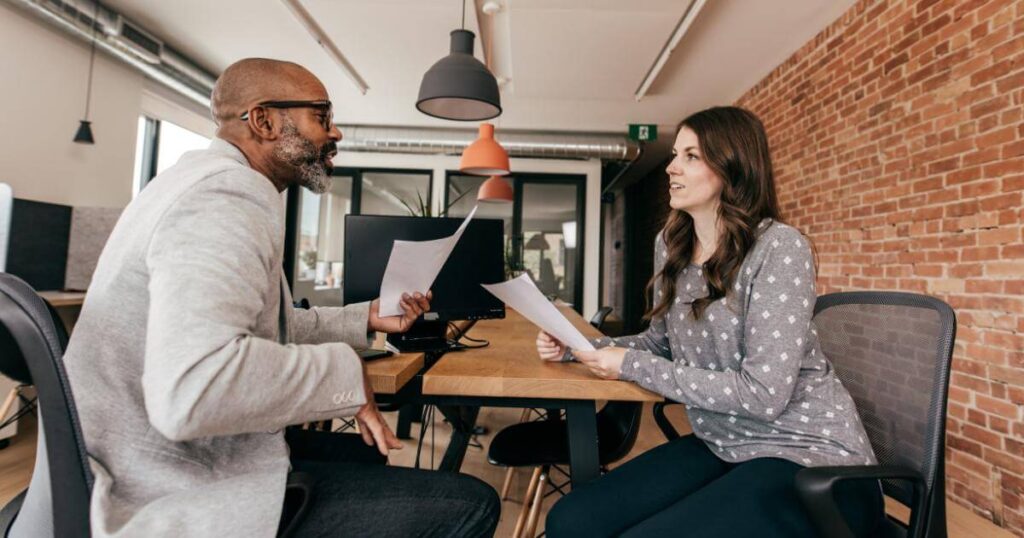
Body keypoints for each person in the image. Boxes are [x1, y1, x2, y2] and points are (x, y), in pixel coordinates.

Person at [63, 58, 499, 538]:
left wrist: (366, 319)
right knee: (471, 503)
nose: (335, 135)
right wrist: (344, 371)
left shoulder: (196, 181)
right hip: (162, 488)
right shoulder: (226, 196)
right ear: (264, 121)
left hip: (140, 462)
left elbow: (268, 324)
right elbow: (194, 387)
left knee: (373, 456)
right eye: (322, 116)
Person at [537, 107, 883, 537]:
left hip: (810, 460)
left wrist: (628, 364)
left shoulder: (778, 248)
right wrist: (581, 346)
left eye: (691, 156)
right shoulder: (674, 244)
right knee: (571, 522)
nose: (670, 167)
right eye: (674, 154)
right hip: (724, 443)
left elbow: (763, 395)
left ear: (732, 166)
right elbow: (661, 343)